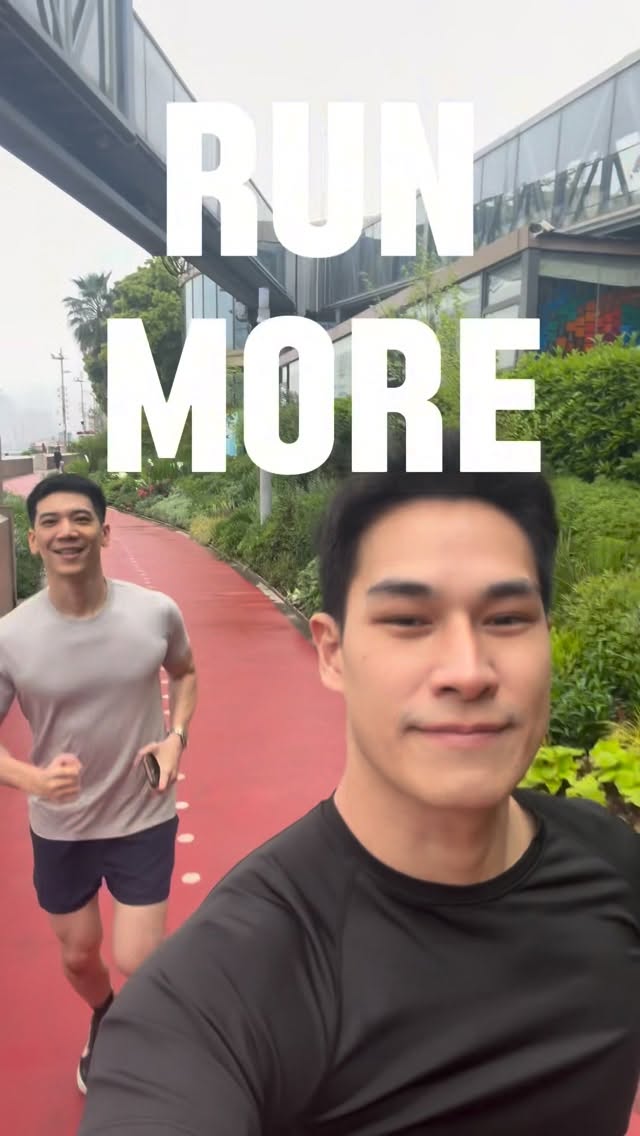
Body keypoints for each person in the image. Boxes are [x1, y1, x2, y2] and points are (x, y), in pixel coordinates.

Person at [78, 433, 639, 1136]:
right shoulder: (222, 989)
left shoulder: (614, 868)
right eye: (408, 621)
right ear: (332, 652)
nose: (468, 671)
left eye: (506, 619)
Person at [0, 472, 197, 1095]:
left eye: (81, 518)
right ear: (33, 540)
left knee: (137, 957)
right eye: (51, 521)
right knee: (80, 955)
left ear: (105, 532)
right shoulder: (10, 637)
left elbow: (185, 672)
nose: (68, 531)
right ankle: (105, 1013)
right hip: (61, 828)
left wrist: (176, 736)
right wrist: (31, 778)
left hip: (144, 814)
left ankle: (145, 1031)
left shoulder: (155, 612)